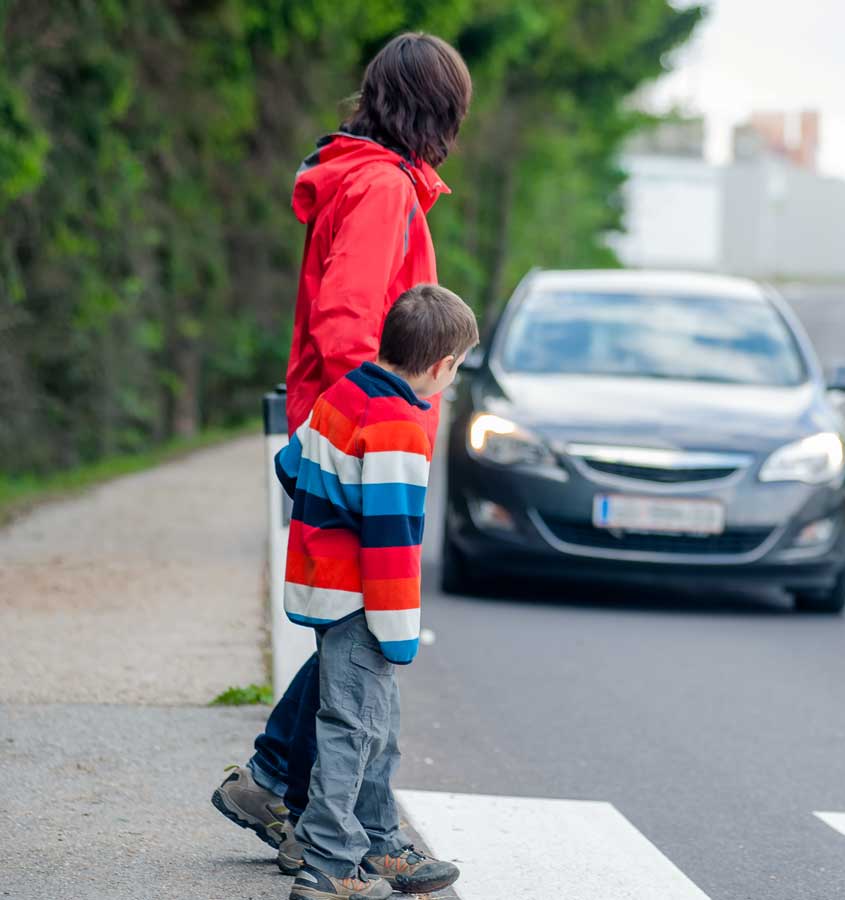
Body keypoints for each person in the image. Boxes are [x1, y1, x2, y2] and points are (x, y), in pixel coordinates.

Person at [209, 31, 471, 891]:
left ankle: (274, 784)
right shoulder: (381, 188)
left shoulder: (364, 178)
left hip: (337, 427)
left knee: (347, 634)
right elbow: (348, 323)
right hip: (359, 438)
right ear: (437, 111)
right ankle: (360, 838)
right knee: (364, 636)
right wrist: (381, 416)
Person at [277, 284, 479, 900]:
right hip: (362, 599)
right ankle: (331, 861)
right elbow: (391, 543)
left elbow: (291, 463)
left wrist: (331, 503)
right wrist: (399, 632)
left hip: (321, 581)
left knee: (374, 721)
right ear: (441, 367)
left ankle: (380, 840)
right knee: (352, 726)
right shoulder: (398, 426)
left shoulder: (345, 393)